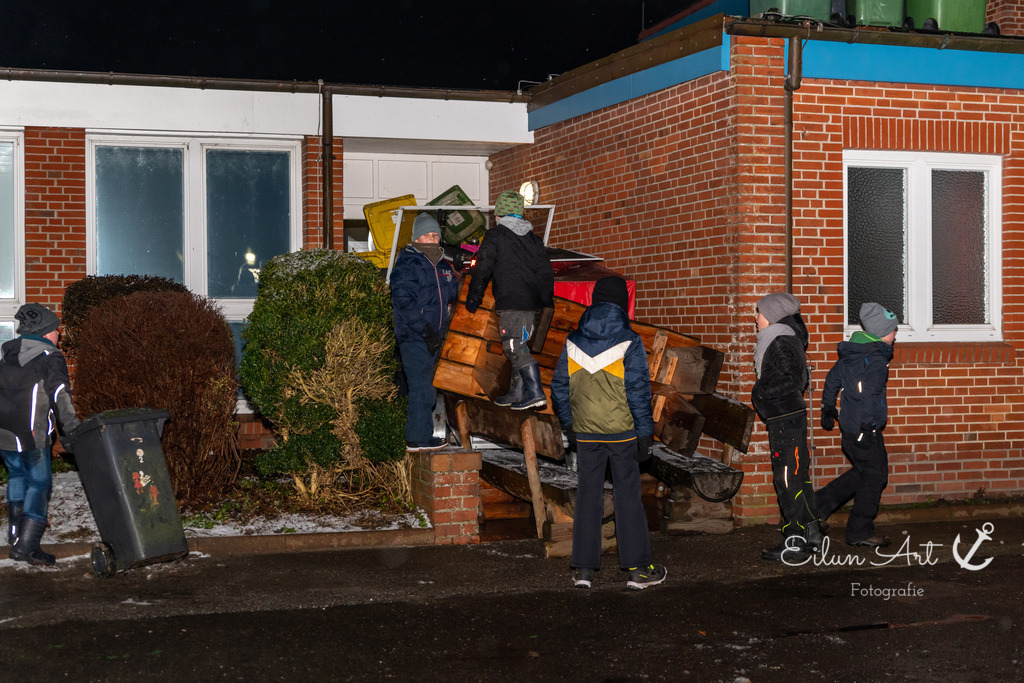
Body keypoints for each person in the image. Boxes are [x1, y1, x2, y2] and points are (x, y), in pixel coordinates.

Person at [551, 276, 666, 590]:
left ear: (594, 302)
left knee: (588, 498)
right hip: (623, 434)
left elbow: (559, 386)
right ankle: (639, 571)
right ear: (620, 304)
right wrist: (645, 435)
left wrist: (570, 424)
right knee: (627, 498)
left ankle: (583, 571)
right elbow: (638, 391)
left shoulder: (573, 340)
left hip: (586, 433)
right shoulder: (630, 340)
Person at [0, 303, 80, 567]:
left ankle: (15, 534)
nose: (59, 335)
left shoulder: (7, 356)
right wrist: (72, 429)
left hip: (4, 433)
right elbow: (60, 395)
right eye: (57, 330)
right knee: (40, 484)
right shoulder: (50, 357)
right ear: (47, 332)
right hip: (31, 434)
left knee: (17, 475)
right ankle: (27, 546)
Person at [815, 302, 898, 548]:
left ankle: (816, 506)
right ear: (882, 333)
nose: (896, 335)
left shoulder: (854, 351)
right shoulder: (873, 358)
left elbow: (832, 378)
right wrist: (868, 427)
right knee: (874, 477)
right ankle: (860, 531)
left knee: (865, 473)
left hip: (852, 428)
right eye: (894, 330)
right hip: (864, 429)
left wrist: (828, 406)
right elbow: (869, 397)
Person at [464, 190, 554, 411]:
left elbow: (482, 268)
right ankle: (516, 392)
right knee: (520, 345)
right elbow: (545, 274)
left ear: (499, 214)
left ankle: (535, 393)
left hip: (512, 304)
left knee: (513, 346)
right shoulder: (534, 240)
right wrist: (546, 302)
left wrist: (473, 298)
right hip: (531, 306)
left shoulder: (495, 236)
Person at [751, 292, 822, 562]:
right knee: (798, 476)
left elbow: (794, 379)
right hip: (788, 417)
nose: (755, 318)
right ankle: (812, 533)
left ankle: (794, 540)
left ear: (772, 316)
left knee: (785, 479)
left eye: (759, 313)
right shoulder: (784, 337)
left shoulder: (780, 341)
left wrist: (761, 391)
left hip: (785, 419)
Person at [390, 213, 460, 452]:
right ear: (416, 237)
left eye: (435, 235)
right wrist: (425, 330)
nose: (432, 239)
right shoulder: (408, 263)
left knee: (427, 386)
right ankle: (417, 438)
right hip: (414, 337)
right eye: (427, 234)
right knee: (422, 387)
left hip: (435, 337)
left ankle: (420, 435)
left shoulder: (442, 264)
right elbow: (403, 303)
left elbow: (453, 294)